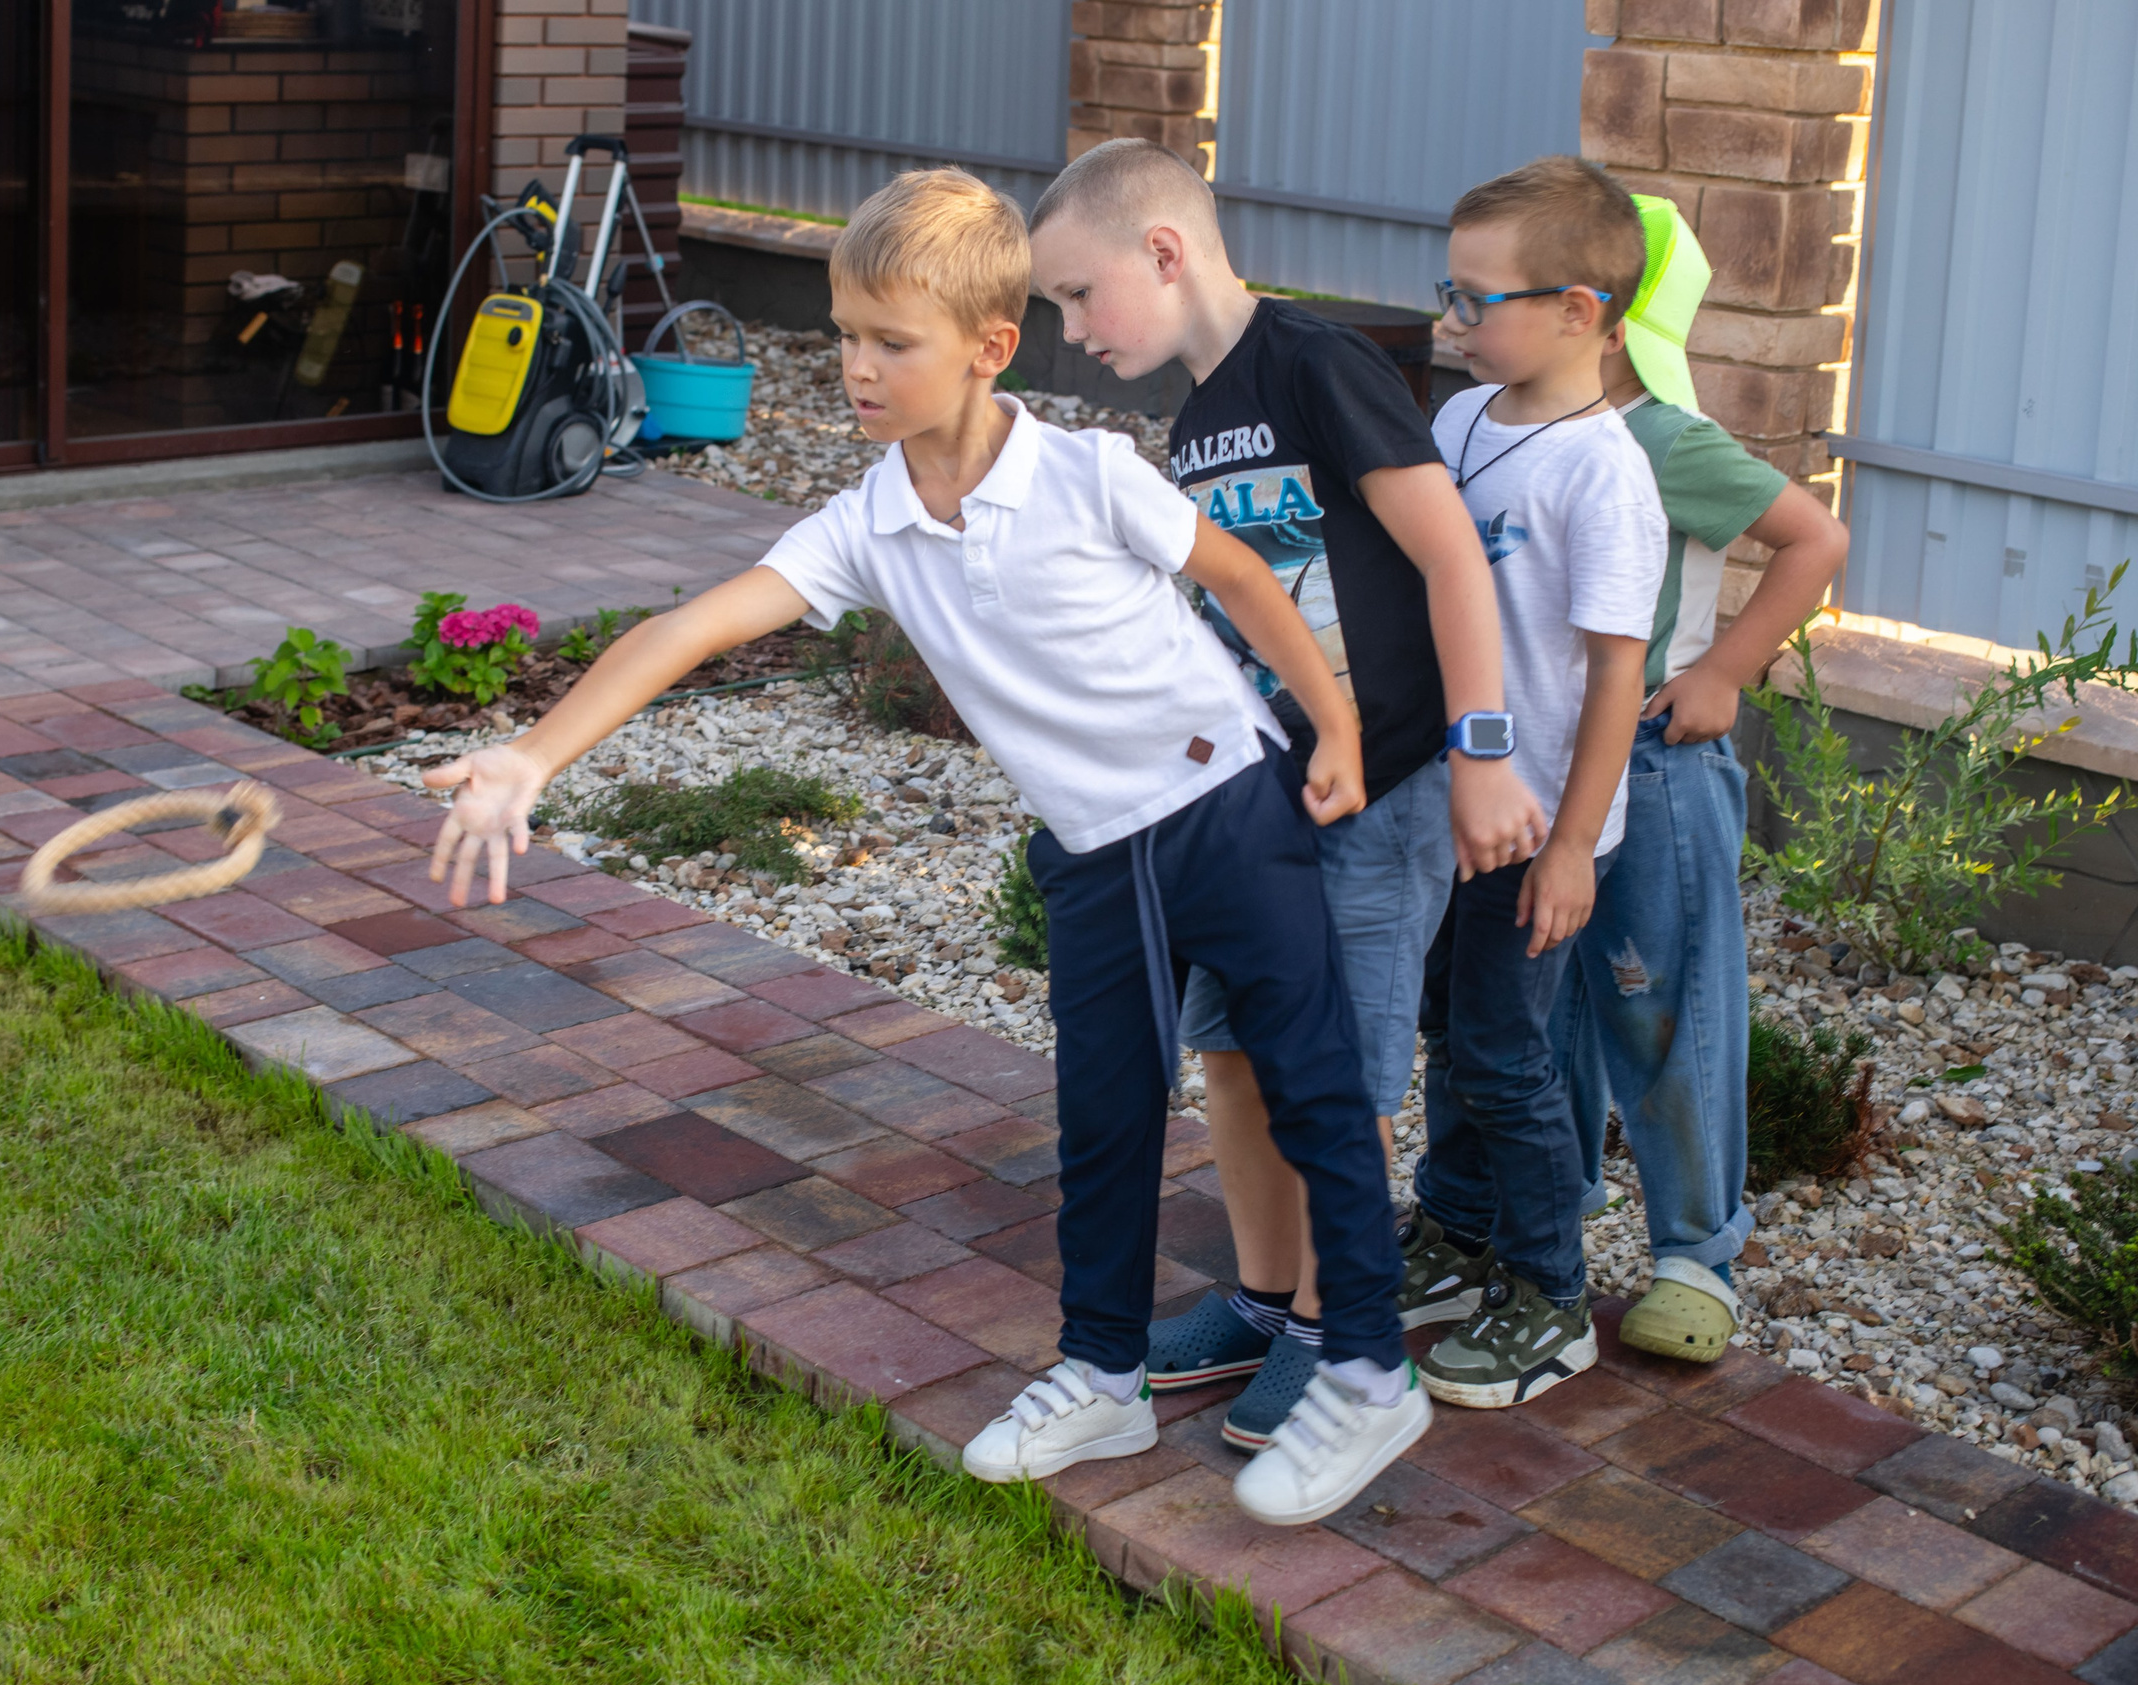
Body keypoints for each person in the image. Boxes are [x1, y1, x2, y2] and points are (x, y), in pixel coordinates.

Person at [422, 167, 1424, 1523]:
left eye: (891, 341)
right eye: (846, 334)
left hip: (1226, 810)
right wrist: (534, 754)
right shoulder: (869, 524)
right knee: (1105, 1118)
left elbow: (1241, 576)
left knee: (1312, 1088)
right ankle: (1104, 1374)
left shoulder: (1086, 473)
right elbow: (691, 625)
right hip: (1095, 851)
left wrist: (1337, 725)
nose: (856, 367)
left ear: (988, 346)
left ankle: (1367, 1368)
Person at [1026, 139, 1547, 1455]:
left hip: (1385, 787)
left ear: (1164, 251)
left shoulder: (1320, 363)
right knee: (1232, 1041)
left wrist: (1483, 751)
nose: (1072, 330)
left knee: (1339, 1068)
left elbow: (1452, 560)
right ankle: (1267, 1300)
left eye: (1079, 295)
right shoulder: (1197, 419)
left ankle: (1333, 1325)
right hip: (1255, 801)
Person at [1552, 196, 1850, 1362]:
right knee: (1544, 1005)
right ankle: (1542, 1215)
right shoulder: (1502, 429)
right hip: (1543, 763)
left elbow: (1812, 537)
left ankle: (1695, 1256)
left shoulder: (1664, 441)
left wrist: (1725, 667)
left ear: (1600, 317)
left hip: (1654, 761)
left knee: (1660, 1001)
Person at [1403, 156, 1666, 1408]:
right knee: (1449, 1029)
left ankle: (1550, 1295)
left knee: (1508, 1054)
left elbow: (1618, 673)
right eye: (1448, 292)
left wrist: (1571, 845)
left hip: (1539, 825)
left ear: (1578, 310)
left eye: (1476, 299)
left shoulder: (1602, 473)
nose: (1451, 321)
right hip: (1450, 804)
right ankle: (1456, 1231)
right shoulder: (1460, 421)